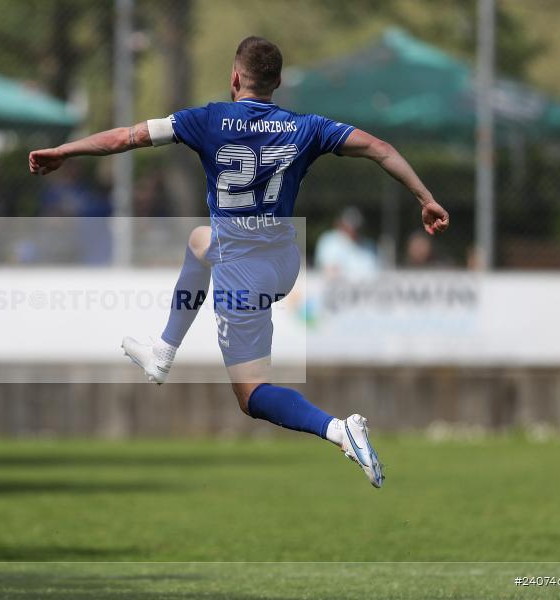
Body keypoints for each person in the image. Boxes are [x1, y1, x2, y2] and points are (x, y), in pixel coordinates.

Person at [29, 37, 449, 488]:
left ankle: (339, 430)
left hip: (240, 276)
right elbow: (381, 147)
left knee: (251, 396)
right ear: (279, 82)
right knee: (198, 241)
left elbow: (126, 137)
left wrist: (64, 151)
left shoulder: (206, 120)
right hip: (284, 264)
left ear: (234, 77)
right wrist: (425, 199)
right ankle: (163, 354)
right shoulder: (306, 127)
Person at [314, 206, 379, 277]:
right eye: (350, 224)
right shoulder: (329, 241)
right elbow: (328, 271)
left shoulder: (369, 245)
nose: (353, 229)